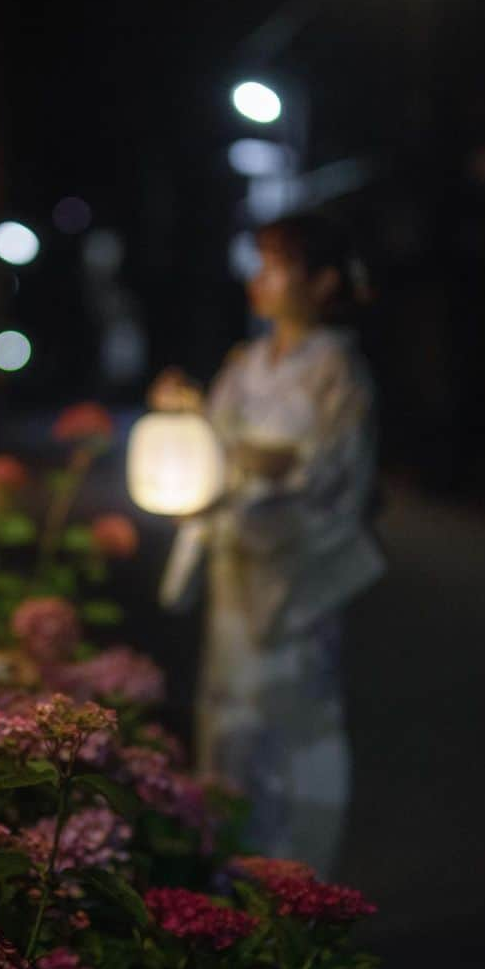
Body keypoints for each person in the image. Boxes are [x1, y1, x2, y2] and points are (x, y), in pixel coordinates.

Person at [149, 213, 384, 878]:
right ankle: (226, 883)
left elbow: (332, 478)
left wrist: (251, 465)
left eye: (275, 266)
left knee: (293, 729)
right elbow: (211, 451)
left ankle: (292, 890)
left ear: (324, 281)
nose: (259, 280)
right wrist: (187, 416)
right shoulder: (247, 364)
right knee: (226, 726)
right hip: (236, 573)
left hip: (294, 580)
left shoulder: (338, 371)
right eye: (260, 264)